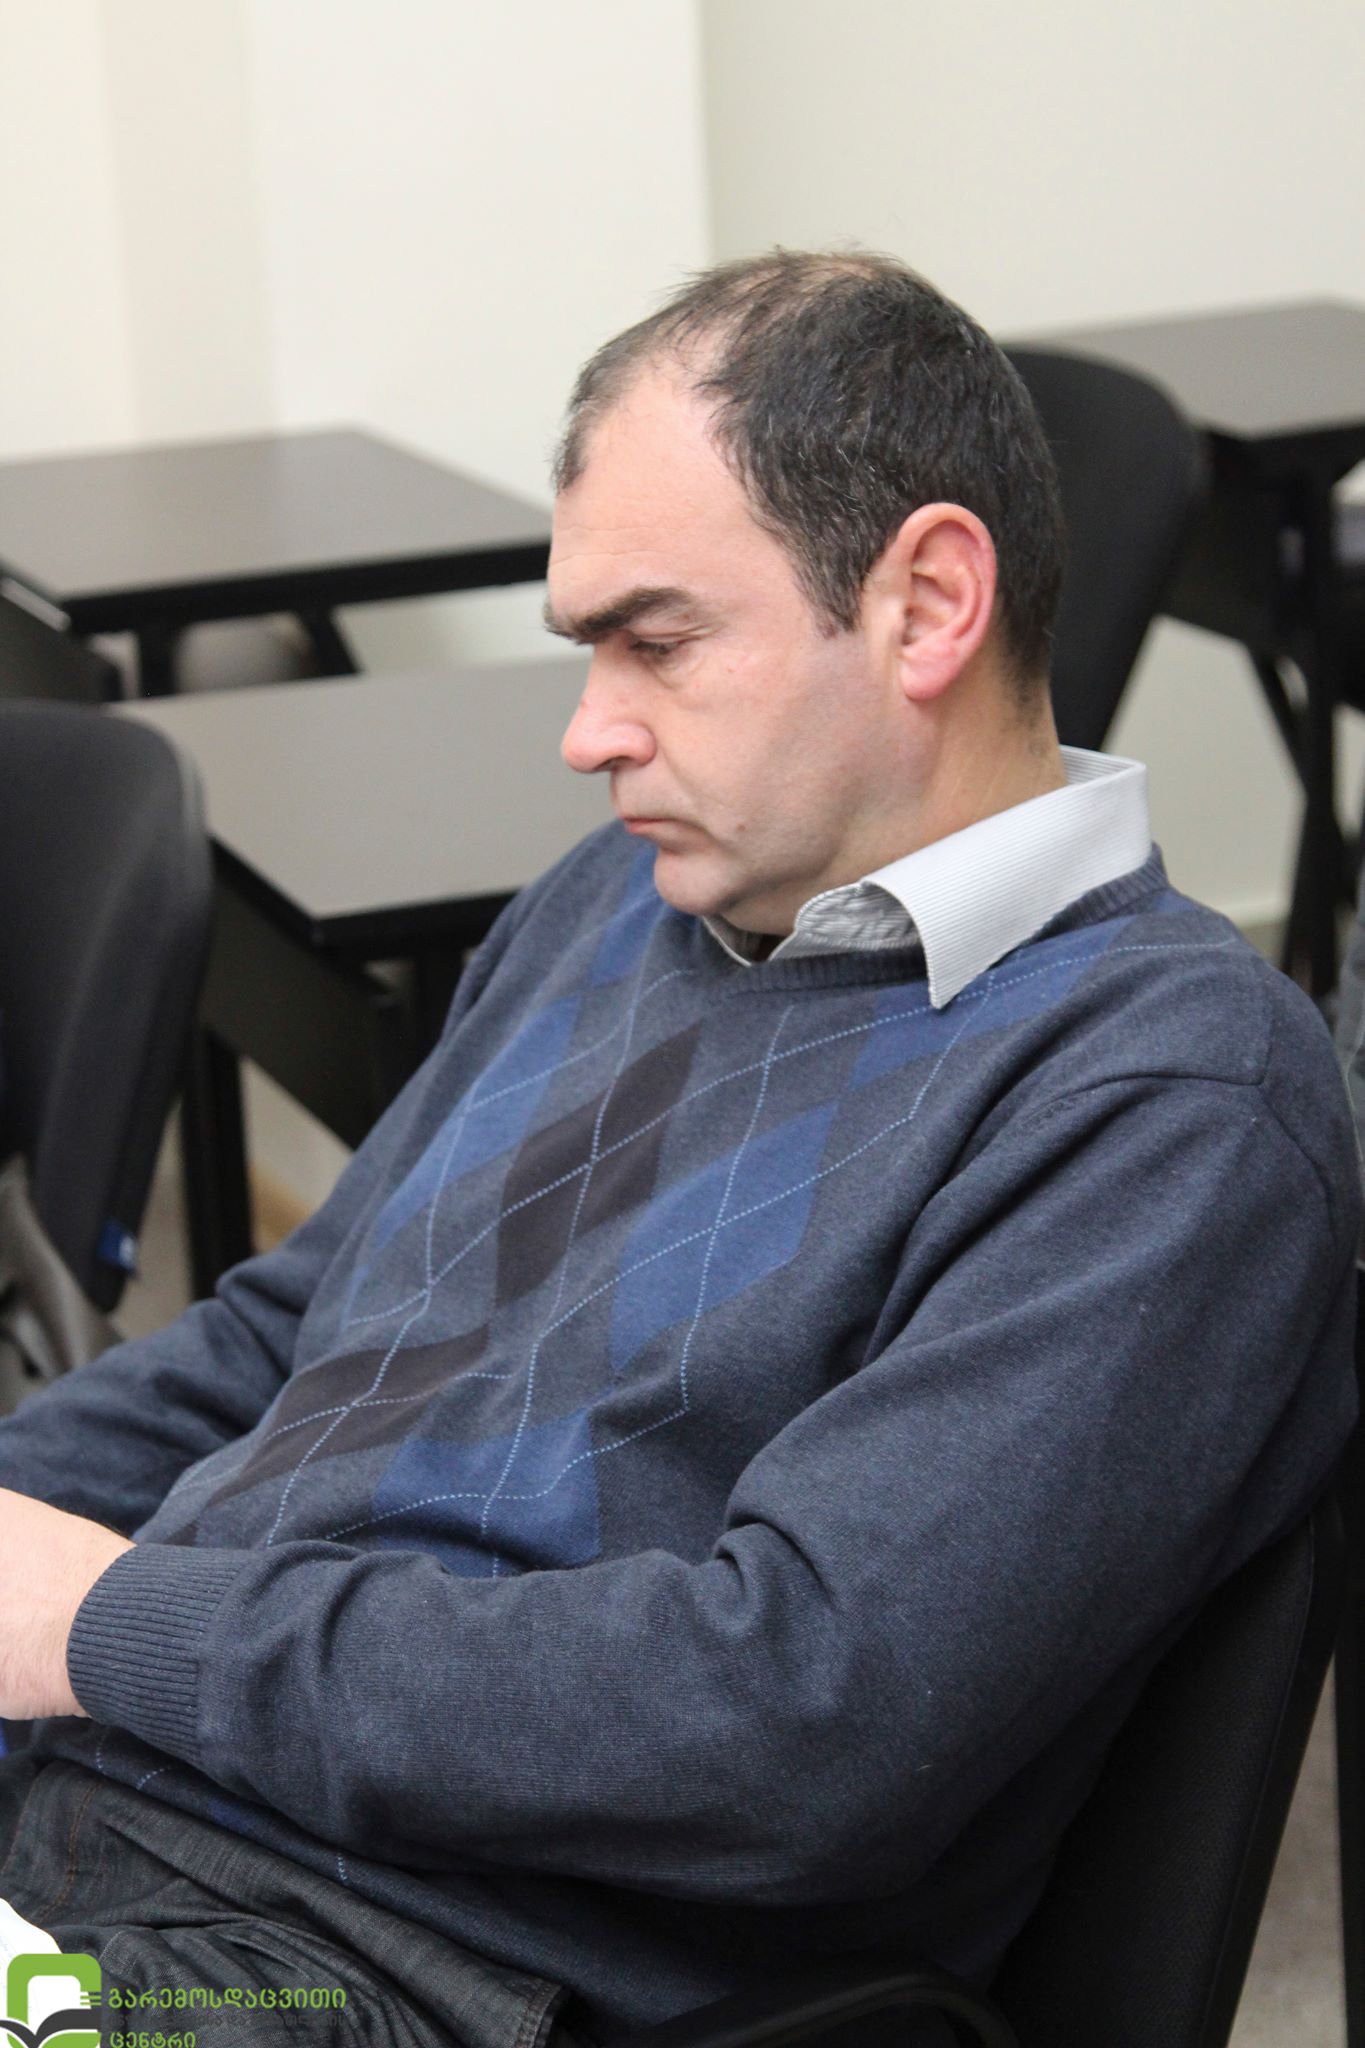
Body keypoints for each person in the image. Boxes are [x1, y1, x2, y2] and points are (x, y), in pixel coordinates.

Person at [0, 250, 1355, 2048]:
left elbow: (795, 1723)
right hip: (118, 1802)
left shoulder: (1164, 1098)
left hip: (377, 1964)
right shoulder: (621, 900)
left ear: (927, 604)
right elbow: (283, 1340)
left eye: (657, 642)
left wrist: (108, 1626)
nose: (589, 732)